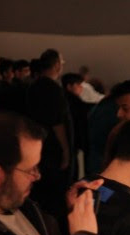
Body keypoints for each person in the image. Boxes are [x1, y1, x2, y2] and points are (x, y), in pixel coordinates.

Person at [27, 48, 74, 214]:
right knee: (55, 196)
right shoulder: (53, 89)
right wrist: (66, 151)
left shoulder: (33, 87)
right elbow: (58, 123)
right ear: (56, 65)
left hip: (37, 146)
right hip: (53, 150)